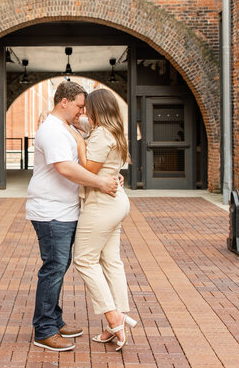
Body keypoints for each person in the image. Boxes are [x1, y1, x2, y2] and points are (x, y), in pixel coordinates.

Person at [26, 81, 120, 352]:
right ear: (63, 102)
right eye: (79, 106)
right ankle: (44, 330)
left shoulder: (65, 127)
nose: (82, 111)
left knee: (59, 266)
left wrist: (106, 175)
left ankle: (54, 320)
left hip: (64, 209)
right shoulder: (53, 129)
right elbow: (65, 168)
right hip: (50, 210)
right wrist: (100, 183)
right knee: (54, 268)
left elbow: (92, 149)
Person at [69, 89, 138, 351]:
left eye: (88, 108)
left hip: (101, 204)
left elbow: (89, 170)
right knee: (111, 261)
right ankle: (116, 322)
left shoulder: (100, 135)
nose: (84, 112)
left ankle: (113, 316)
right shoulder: (116, 132)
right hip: (117, 201)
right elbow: (82, 125)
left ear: (98, 109)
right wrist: (77, 128)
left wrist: (78, 143)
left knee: (84, 260)